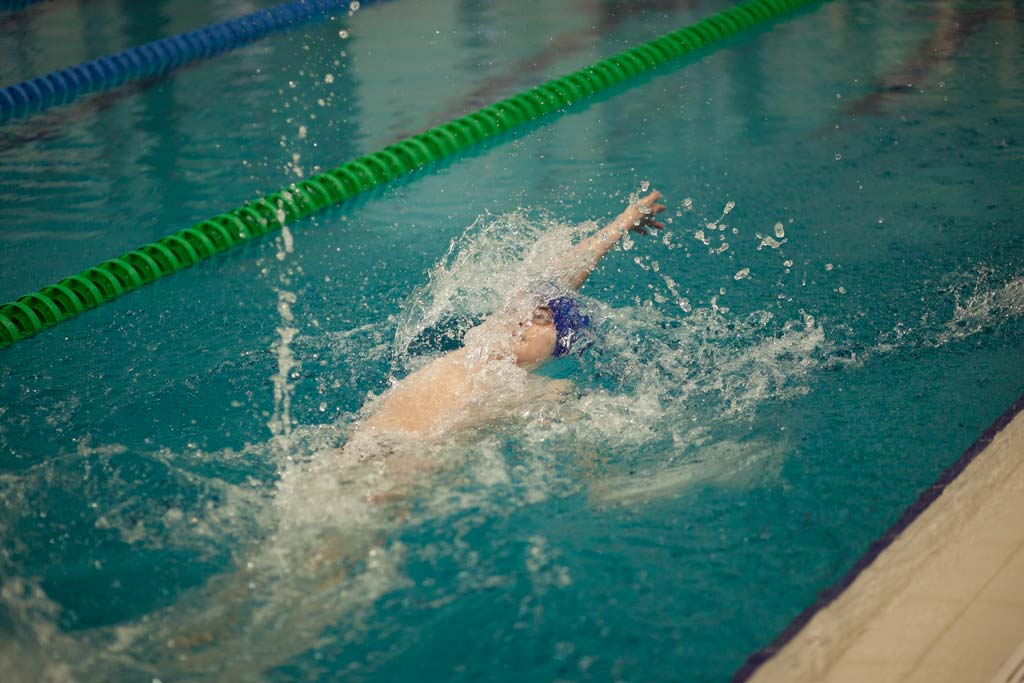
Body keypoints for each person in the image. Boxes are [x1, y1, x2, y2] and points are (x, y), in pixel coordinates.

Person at [342, 190, 667, 472]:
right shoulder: (485, 341)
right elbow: (559, 275)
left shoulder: (541, 391)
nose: (524, 320)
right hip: (354, 450)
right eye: (525, 311)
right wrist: (622, 222)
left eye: (541, 319)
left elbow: (585, 442)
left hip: (406, 469)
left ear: (561, 345)